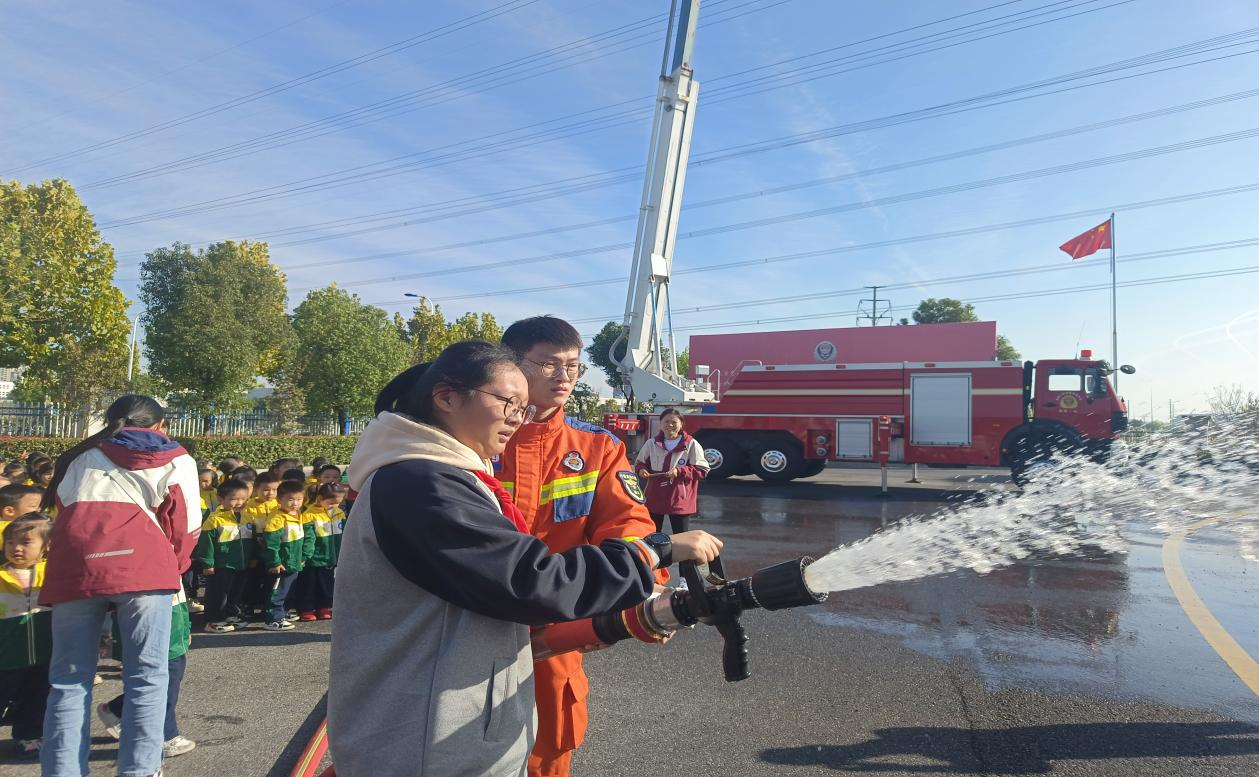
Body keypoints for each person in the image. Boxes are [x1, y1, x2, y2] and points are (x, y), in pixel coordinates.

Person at [327, 341, 722, 777]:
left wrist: (637, 601)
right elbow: (528, 580)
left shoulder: (453, 467)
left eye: (573, 366)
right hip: (432, 732)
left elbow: (620, 523)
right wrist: (653, 551)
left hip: (490, 677)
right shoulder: (423, 481)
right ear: (446, 398)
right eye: (509, 402)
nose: (518, 416)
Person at [497, 315, 666, 777]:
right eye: (549, 364)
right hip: (468, 627)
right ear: (510, 364)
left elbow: (627, 524)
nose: (564, 376)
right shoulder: (473, 441)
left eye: (573, 366)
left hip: (555, 634)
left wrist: (647, 588)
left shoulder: (597, 448)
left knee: (549, 748)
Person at [39, 394, 201, 777]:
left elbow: (66, 513)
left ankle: (61, 770)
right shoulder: (176, 457)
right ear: (160, 426)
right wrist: (173, 569)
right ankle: (140, 769)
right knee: (147, 677)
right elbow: (187, 526)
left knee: (68, 680)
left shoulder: (77, 456)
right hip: (145, 570)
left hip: (74, 569)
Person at [97, 589, 195, 760]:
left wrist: (186, 629)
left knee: (169, 681)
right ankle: (166, 736)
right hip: (158, 631)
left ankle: (116, 709)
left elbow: (180, 603)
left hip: (175, 632)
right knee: (164, 686)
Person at [0, 514, 53, 759]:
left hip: (42, 654)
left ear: (46, 546)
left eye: (25, 542)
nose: (16, 548)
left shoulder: (52, 574)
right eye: (10, 542)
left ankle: (29, 735)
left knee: (36, 696)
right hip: (6, 656)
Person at [634, 408, 710, 542]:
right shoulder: (651, 444)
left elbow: (702, 469)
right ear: (660, 424)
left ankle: (682, 557)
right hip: (655, 496)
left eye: (674, 422)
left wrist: (679, 471)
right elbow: (640, 463)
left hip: (679, 497)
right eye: (666, 421)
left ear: (681, 424)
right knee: (652, 536)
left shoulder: (691, 444)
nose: (670, 425)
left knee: (681, 538)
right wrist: (641, 470)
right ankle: (654, 556)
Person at [194, 479, 255, 633]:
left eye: (243, 498)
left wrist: (253, 557)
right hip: (221, 565)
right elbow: (206, 544)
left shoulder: (247, 517)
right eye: (234, 499)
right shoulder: (214, 520)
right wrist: (208, 563)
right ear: (221, 499)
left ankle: (230, 615)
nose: (239, 502)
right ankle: (213, 620)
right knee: (218, 594)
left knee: (235, 592)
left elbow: (251, 541)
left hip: (241, 564)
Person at [258, 480, 309, 631]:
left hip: (294, 562)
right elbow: (271, 544)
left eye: (299, 499)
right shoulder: (277, 518)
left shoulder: (298, 514)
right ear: (279, 499)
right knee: (276, 591)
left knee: (287, 590)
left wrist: (302, 557)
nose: (295, 503)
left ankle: (283, 613)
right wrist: (274, 562)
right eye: (290, 499)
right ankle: (274, 619)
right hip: (281, 563)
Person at [294, 483, 346, 621]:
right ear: (320, 498)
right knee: (309, 585)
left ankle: (324, 607)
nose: (334, 506)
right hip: (314, 558)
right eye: (331, 503)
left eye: (338, 503)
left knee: (327, 583)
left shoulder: (339, 513)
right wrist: (306, 555)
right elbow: (309, 538)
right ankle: (306, 608)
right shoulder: (309, 515)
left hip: (330, 557)